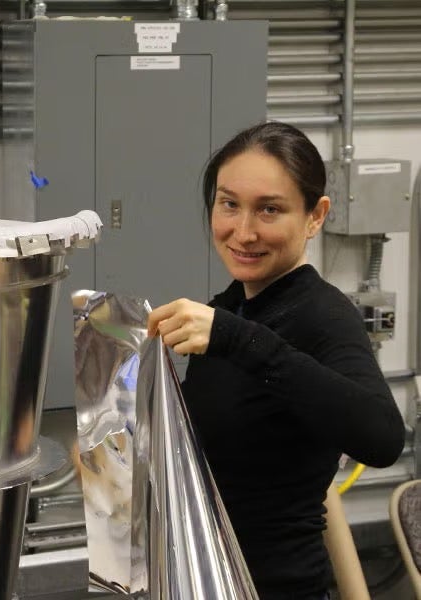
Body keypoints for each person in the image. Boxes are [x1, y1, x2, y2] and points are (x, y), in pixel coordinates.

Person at [146, 121, 405, 600]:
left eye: (269, 209)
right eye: (229, 204)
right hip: (205, 581)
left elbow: (383, 436)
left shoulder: (322, 315)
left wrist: (236, 339)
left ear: (315, 215)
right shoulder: (228, 309)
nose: (243, 232)